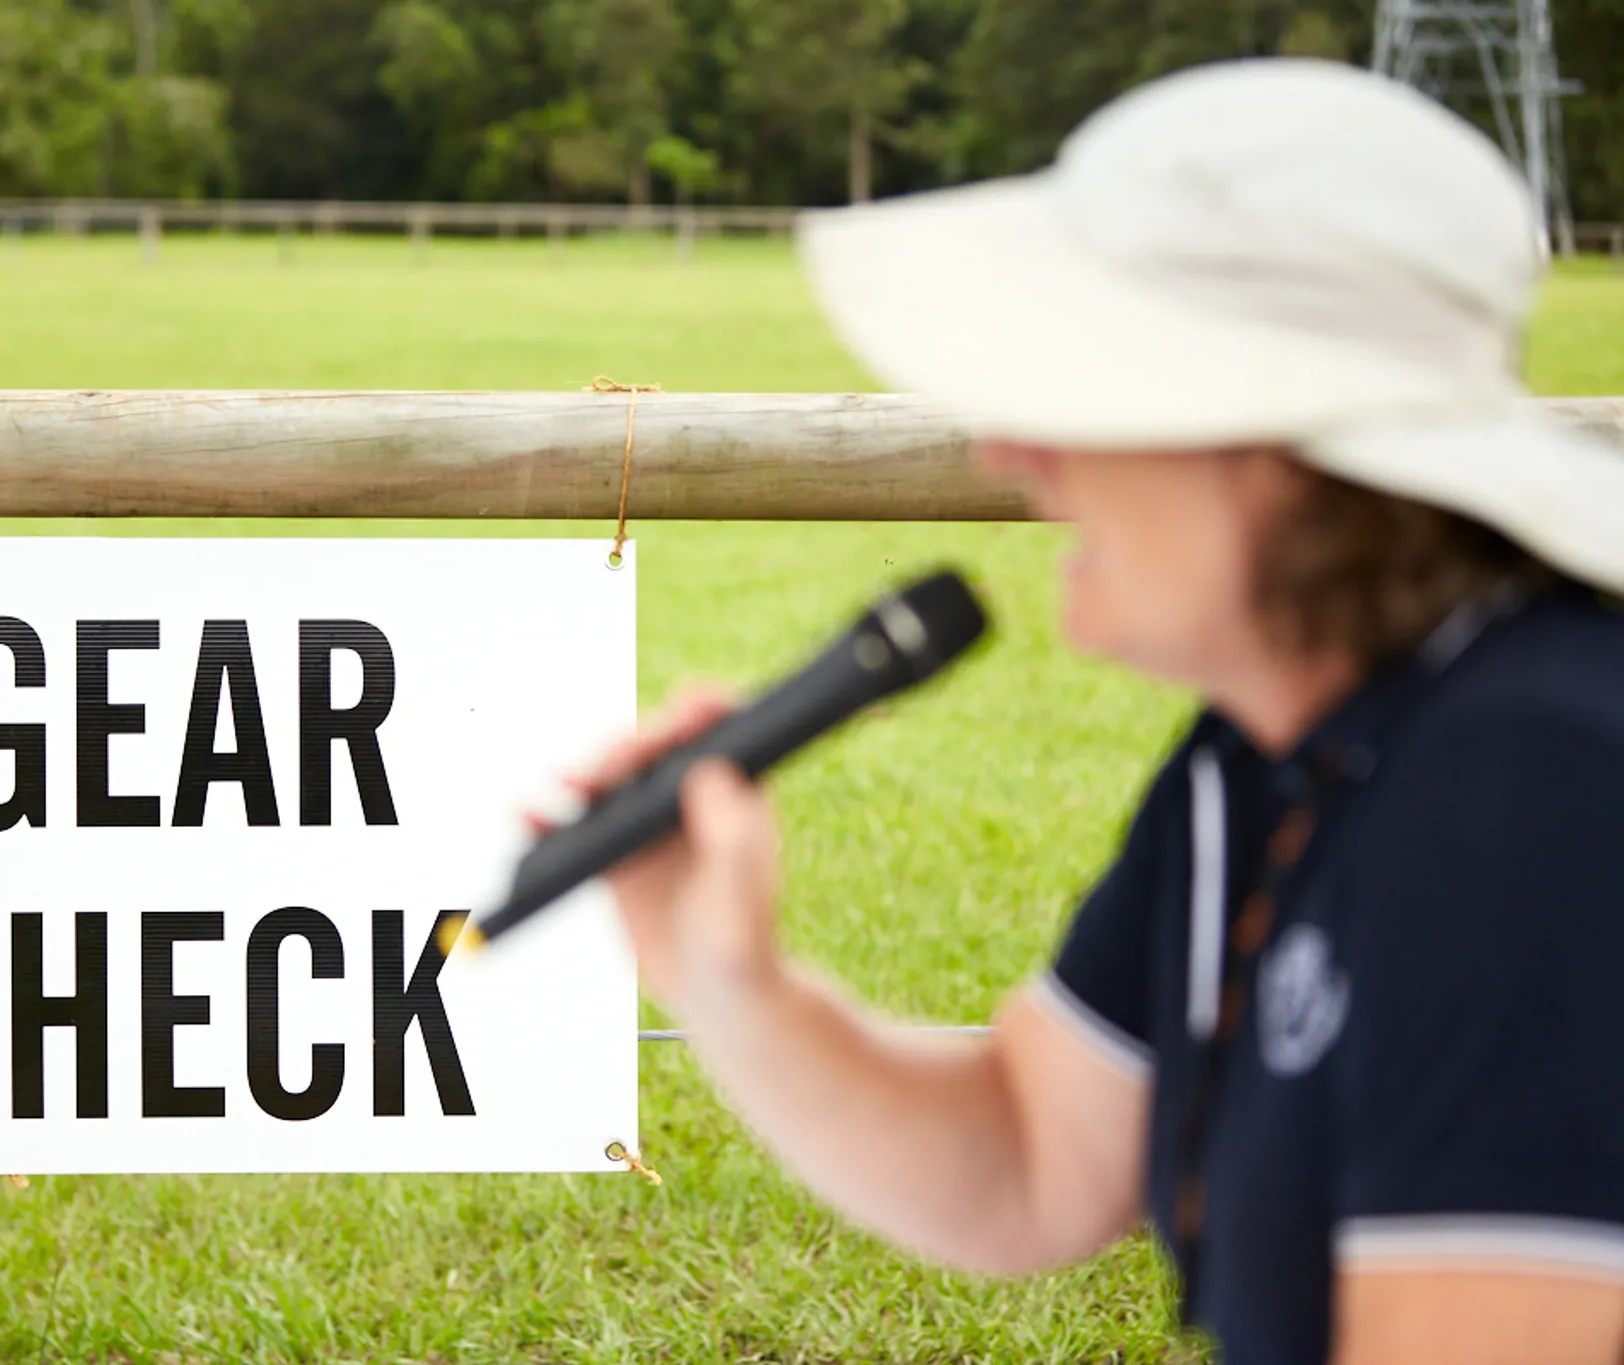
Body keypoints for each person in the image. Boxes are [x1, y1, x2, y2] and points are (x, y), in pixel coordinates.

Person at [569, 60, 1624, 1365]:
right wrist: (729, 986)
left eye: (1092, 385)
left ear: (1282, 448)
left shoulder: (1538, 794)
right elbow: (1027, 1156)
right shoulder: (1259, 759)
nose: (1017, 452)